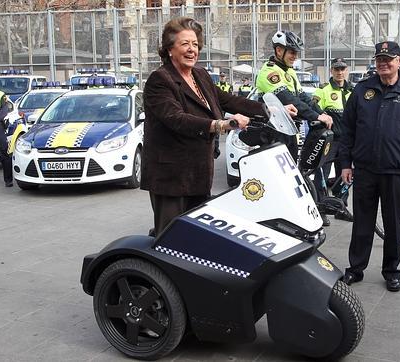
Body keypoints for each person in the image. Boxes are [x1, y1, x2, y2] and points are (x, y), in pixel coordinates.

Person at [142, 17, 268, 236]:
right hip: (171, 177)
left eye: (195, 44)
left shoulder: (199, 75)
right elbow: (176, 118)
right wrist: (222, 124)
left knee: (197, 238)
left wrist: (270, 110)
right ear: (170, 49)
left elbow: (227, 100)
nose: (192, 50)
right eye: (184, 44)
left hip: (199, 172)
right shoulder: (159, 80)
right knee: (172, 239)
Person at [339, 41, 400, 292]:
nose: (383, 63)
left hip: (396, 170)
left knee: (393, 224)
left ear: (399, 61)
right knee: (362, 223)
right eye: (379, 59)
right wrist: (345, 164)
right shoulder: (362, 90)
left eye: (388, 59)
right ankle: (355, 269)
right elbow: (347, 129)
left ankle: (392, 271)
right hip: (365, 169)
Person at [256, 30, 333, 161]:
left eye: (296, 53)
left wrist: (323, 114)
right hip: (274, 132)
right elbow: (288, 99)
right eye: (292, 52)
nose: (295, 56)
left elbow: (303, 98)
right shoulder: (269, 71)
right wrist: (316, 116)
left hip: (289, 130)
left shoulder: (289, 71)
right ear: (279, 50)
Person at [312, 57, 353, 217]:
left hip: (347, 142)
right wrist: (322, 114)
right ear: (332, 71)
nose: (340, 72)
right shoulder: (324, 89)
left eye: (342, 69)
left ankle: (341, 208)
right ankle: (320, 210)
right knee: (322, 173)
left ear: (346, 70)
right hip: (330, 141)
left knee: (344, 174)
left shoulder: (352, 91)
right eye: (336, 69)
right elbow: (313, 106)